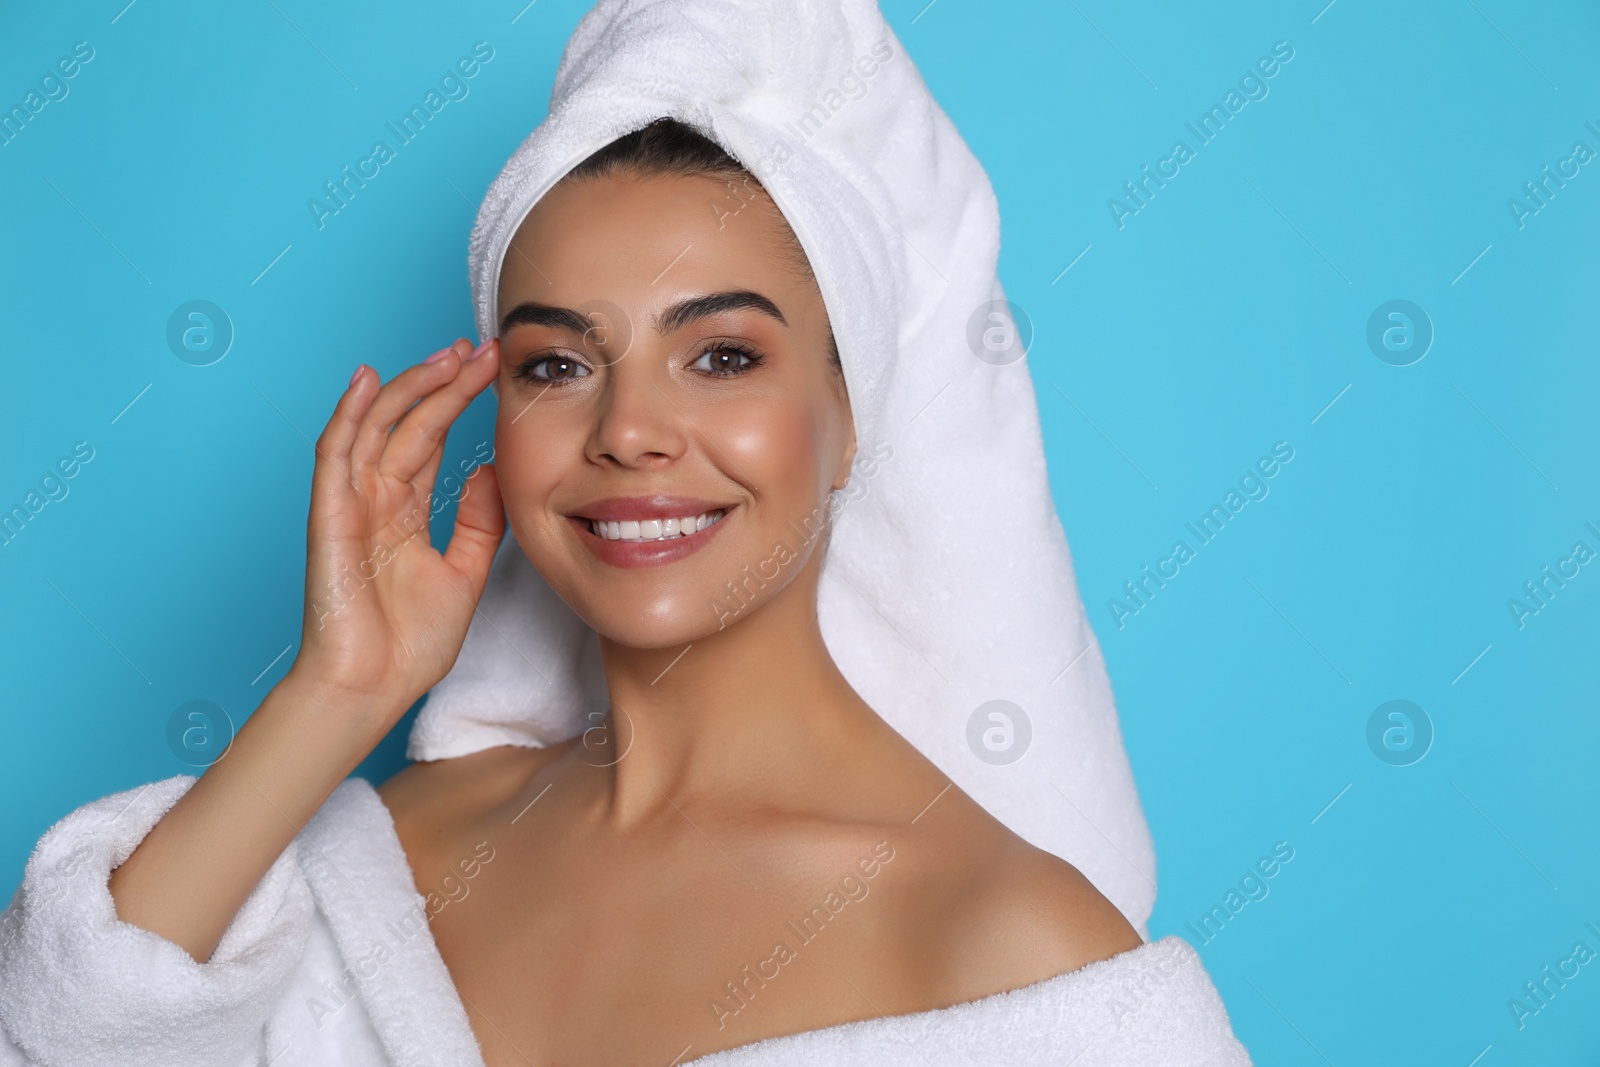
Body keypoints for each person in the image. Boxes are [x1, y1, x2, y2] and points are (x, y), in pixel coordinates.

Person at [0, 2, 1252, 1065]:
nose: (631, 429)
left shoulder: (1016, 951)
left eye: (719, 354)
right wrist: (342, 691)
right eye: (557, 362)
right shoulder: (397, 856)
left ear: (851, 414)